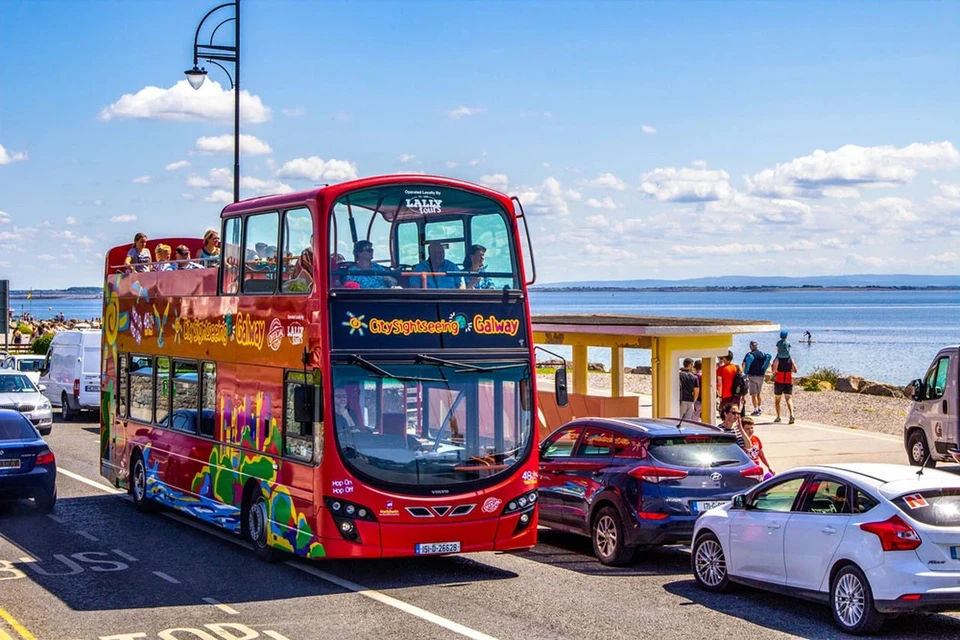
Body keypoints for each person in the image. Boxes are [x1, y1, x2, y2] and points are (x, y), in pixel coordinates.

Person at [742, 340, 772, 416]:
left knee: (753, 394)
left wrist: (743, 373)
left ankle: (755, 410)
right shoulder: (762, 354)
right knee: (759, 393)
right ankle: (759, 408)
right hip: (761, 376)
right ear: (757, 346)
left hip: (752, 376)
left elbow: (743, 364)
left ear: (751, 346)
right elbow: (769, 364)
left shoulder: (749, 354)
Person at [772, 355, 798, 424]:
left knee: (777, 400)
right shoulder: (791, 359)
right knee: (789, 399)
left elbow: (773, 370)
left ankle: (778, 417)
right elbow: (795, 370)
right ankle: (792, 414)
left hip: (779, 381)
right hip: (788, 381)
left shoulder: (777, 359)